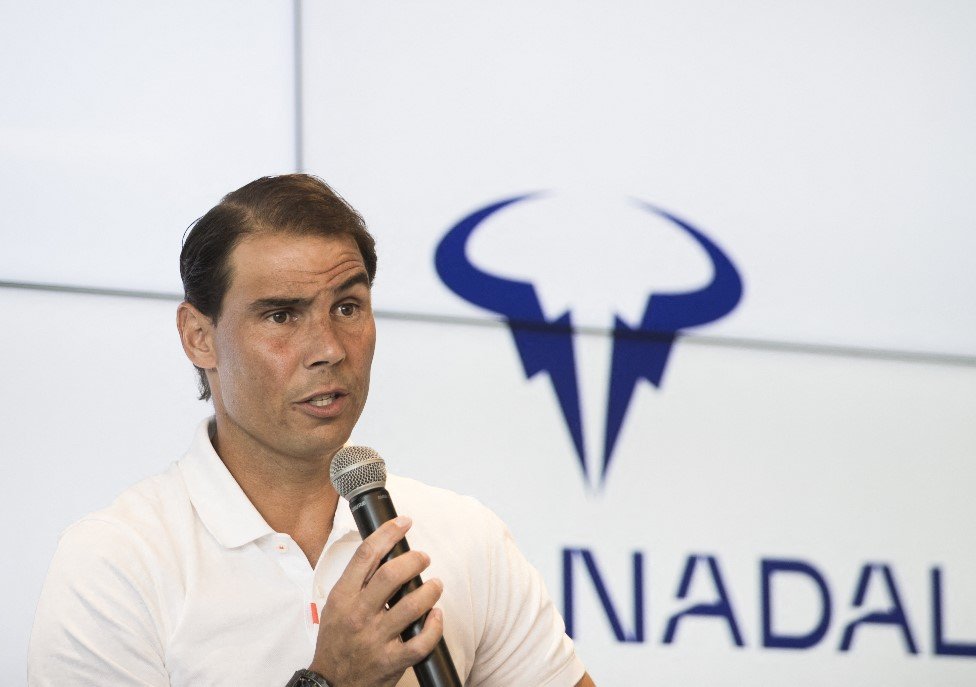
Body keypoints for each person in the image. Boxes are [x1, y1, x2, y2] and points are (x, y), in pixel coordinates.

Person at [28, 174, 595, 687]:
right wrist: (330, 682)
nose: (328, 349)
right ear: (199, 337)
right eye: (281, 315)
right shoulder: (115, 562)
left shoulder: (466, 536)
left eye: (347, 307)